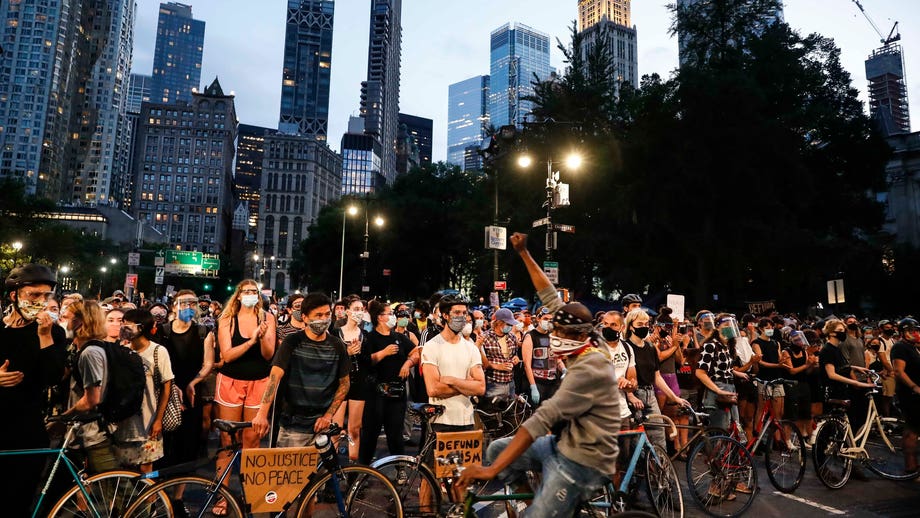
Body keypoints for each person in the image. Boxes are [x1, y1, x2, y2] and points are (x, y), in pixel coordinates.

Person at [457, 233, 621, 515]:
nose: (552, 336)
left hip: (584, 461)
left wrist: (489, 472)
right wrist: (523, 252)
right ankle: (534, 501)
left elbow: (540, 420)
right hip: (561, 444)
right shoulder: (589, 334)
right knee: (497, 448)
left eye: (557, 332)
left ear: (573, 335)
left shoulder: (590, 369)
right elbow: (549, 293)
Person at [0, 265, 64, 516]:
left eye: (46, 296)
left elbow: (52, 377)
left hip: (26, 430)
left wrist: (45, 336)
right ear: (14, 295)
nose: (40, 301)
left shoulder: (53, 332)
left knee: (18, 499)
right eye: (33, 295)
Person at [252, 292, 350, 447]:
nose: (323, 319)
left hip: (322, 425)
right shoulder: (292, 342)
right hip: (293, 423)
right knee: (288, 471)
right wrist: (262, 414)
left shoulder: (337, 345)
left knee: (323, 471)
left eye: (326, 314)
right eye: (318, 315)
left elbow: (344, 383)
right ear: (304, 317)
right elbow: (274, 377)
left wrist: (328, 415)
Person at [214, 279, 276, 501]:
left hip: (259, 382)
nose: (251, 294)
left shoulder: (267, 318)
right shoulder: (227, 319)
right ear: (238, 295)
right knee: (228, 441)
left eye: (254, 291)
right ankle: (223, 496)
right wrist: (251, 341)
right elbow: (227, 355)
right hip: (231, 382)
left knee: (252, 439)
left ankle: (250, 495)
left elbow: (269, 355)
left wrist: (262, 338)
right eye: (246, 291)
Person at [61, 301, 121, 473]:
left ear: (81, 321)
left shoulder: (90, 353)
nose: (65, 321)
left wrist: (65, 417)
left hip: (92, 433)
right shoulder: (85, 348)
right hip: (82, 432)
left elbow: (92, 399)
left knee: (114, 486)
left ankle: (148, 501)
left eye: (68, 317)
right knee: (74, 483)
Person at [159, 290, 214, 471]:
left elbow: (208, 364)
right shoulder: (163, 332)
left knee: (188, 441)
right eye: (184, 303)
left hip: (192, 391)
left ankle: (179, 495)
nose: (188, 307)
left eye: (192, 304)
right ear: (174, 306)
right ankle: (160, 488)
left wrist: (193, 383)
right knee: (165, 442)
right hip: (166, 389)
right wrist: (172, 386)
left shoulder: (203, 332)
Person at [113, 309, 173, 473]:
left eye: (128, 324)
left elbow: (167, 386)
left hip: (148, 420)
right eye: (123, 323)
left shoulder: (158, 351)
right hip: (123, 421)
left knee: (146, 468)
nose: (124, 326)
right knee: (122, 468)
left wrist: (158, 419)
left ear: (141, 327)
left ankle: (149, 498)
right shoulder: (118, 349)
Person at [623, 308, 690, 452]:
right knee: (636, 443)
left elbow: (657, 376)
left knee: (659, 438)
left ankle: (660, 470)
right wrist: (630, 395)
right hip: (634, 396)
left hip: (650, 393)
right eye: (640, 324)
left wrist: (674, 397)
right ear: (630, 326)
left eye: (647, 324)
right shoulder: (625, 347)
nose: (644, 327)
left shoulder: (650, 347)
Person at [358, 300, 415, 465]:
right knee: (370, 435)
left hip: (397, 395)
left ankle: (400, 469)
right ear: (379, 317)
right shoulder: (369, 338)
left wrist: (408, 363)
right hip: (375, 395)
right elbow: (366, 361)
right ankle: (362, 471)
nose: (393, 317)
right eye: (389, 314)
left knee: (395, 435)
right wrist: (384, 352)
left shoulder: (398, 337)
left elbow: (417, 352)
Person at [819, 318, 875, 455]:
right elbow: (831, 374)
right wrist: (856, 382)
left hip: (841, 390)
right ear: (831, 333)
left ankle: (847, 456)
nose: (843, 333)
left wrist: (855, 368)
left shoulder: (836, 348)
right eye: (839, 331)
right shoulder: (828, 349)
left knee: (846, 426)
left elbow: (841, 366)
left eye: (843, 330)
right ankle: (824, 462)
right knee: (830, 431)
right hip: (833, 392)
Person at [333, 295, 370, 462]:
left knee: (354, 429)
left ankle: (353, 471)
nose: (359, 313)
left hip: (358, 384)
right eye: (356, 309)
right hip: (340, 384)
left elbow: (369, 363)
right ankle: (330, 473)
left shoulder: (365, 335)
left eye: (361, 310)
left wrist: (361, 352)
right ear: (347, 312)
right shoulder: (336, 334)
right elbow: (331, 359)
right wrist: (346, 353)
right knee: (334, 429)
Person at [889, 317, 920, 474]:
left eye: (916, 330)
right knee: (911, 430)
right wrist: (914, 387)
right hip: (910, 394)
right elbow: (899, 371)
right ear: (903, 332)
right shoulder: (900, 347)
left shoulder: (913, 347)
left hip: (916, 393)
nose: (915, 333)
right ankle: (911, 467)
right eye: (911, 331)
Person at [521, 307, 565, 406]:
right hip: (538, 382)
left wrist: (564, 370)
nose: (548, 322)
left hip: (553, 382)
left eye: (550, 319)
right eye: (545, 319)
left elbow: (557, 360)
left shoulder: (552, 336)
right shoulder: (530, 336)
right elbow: (527, 365)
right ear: (538, 319)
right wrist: (533, 386)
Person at [479, 308, 520, 398]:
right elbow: (480, 363)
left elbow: (514, 354)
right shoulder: (485, 337)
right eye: (508, 324)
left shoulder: (512, 337)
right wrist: (497, 366)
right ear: (499, 323)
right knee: (492, 410)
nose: (510, 327)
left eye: (511, 324)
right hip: (493, 384)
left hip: (510, 383)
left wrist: (516, 359)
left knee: (511, 410)